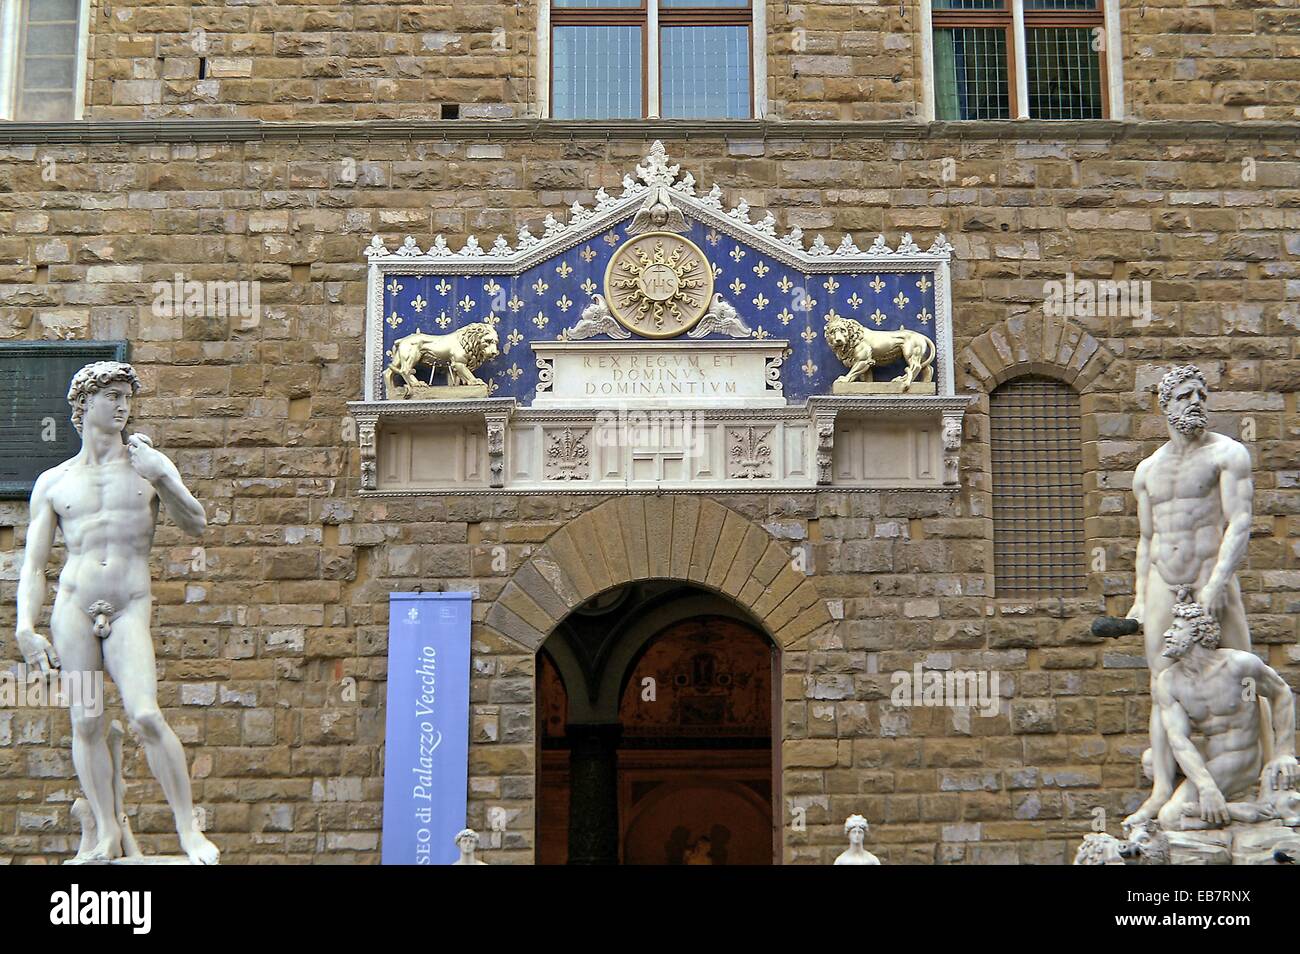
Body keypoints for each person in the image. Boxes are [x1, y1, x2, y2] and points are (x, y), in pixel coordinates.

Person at [13, 361, 218, 864]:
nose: (123, 404)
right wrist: (24, 627)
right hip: (73, 611)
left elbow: (197, 524)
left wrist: (166, 477)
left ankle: (188, 833)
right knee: (85, 721)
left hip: (128, 608)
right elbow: (34, 566)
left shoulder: (147, 467)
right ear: (84, 405)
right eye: (112, 395)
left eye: (127, 395)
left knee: (146, 714)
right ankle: (107, 832)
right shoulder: (54, 482)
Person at [1124, 365, 1259, 828]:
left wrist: (1216, 586)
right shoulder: (1147, 470)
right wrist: (1140, 599)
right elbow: (1145, 539)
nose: (1195, 400)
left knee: (1243, 670)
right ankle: (1162, 789)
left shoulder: (1227, 454)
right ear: (1165, 404)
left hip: (1211, 578)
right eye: (1184, 394)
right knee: (1162, 683)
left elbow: (1239, 523)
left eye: (1201, 393)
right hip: (1164, 581)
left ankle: (1257, 773)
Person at [1152, 593, 1296, 831]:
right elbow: (1179, 741)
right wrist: (1207, 787)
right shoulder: (1169, 681)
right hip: (1211, 757)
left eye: (1176, 629)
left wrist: (1284, 751)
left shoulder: (1239, 666)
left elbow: (1281, 692)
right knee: (1152, 761)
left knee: (1170, 817)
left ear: (1197, 633)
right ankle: (1236, 811)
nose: (1167, 634)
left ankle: (1221, 802)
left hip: (1240, 758)